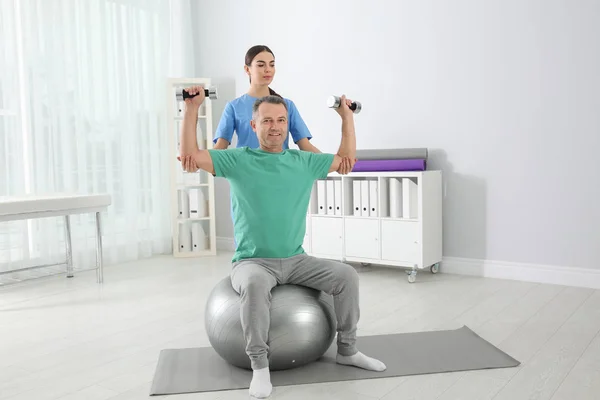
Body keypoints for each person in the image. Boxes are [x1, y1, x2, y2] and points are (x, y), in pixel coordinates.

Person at [178, 87, 386, 399]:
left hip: (296, 260)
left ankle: (347, 350)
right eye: (267, 121)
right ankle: (260, 368)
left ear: (288, 124)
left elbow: (346, 161)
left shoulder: (303, 161)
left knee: (347, 276)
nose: (275, 126)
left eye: (281, 120)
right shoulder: (237, 159)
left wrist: (346, 117)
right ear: (253, 126)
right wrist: (192, 109)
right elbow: (191, 159)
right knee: (255, 286)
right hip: (252, 262)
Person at [211, 44, 352, 174]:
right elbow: (219, 150)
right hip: (247, 175)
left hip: (281, 173)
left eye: (272, 65)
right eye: (261, 65)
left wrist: (330, 163)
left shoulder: (287, 106)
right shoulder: (234, 107)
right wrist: (198, 159)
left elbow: (305, 146)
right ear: (247, 69)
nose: (268, 69)